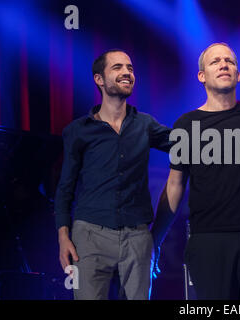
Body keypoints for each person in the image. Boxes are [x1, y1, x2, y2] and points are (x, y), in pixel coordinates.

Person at [150, 43, 240, 300]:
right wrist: (155, 239)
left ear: (238, 74)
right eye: (215, 61)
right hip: (209, 239)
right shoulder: (187, 124)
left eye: (229, 61)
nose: (223, 65)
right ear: (201, 76)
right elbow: (175, 185)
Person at [54, 49, 171, 300]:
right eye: (118, 67)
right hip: (90, 235)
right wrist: (63, 236)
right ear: (99, 79)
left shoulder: (145, 124)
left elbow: (186, 143)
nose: (127, 72)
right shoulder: (78, 131)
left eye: (130, 68)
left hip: (137, 236)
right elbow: (65, 188)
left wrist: (228, 126)